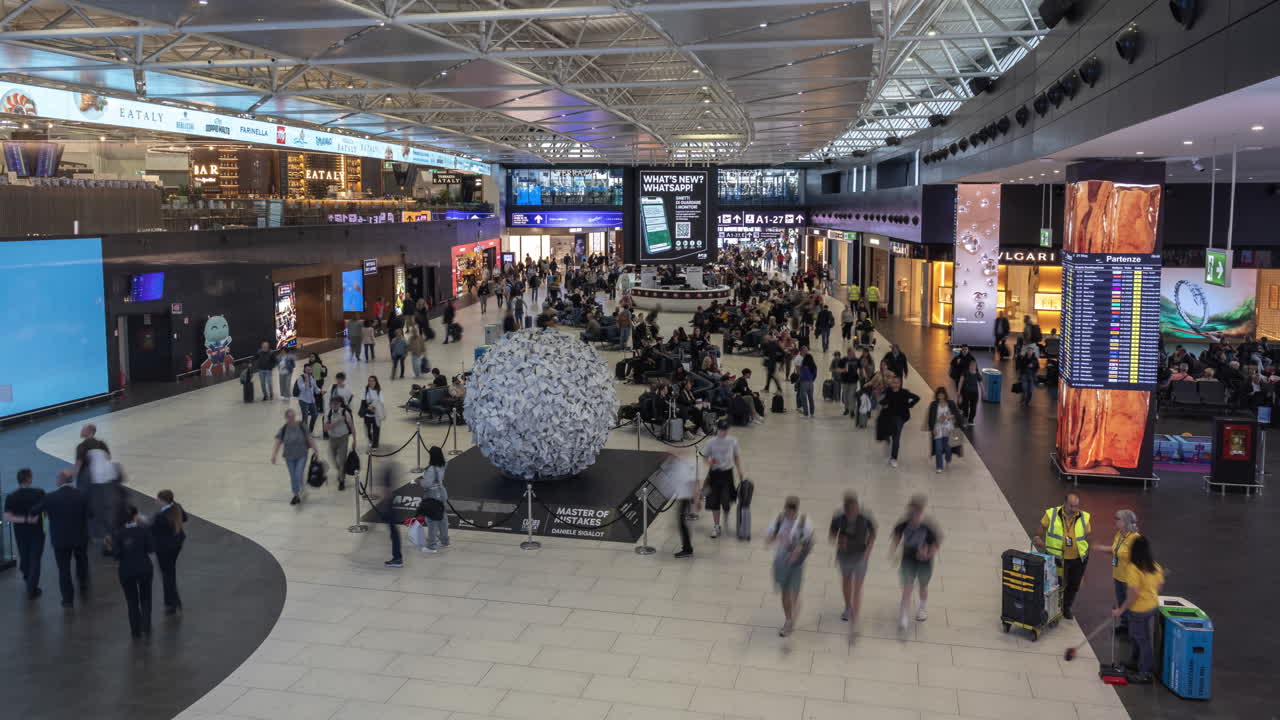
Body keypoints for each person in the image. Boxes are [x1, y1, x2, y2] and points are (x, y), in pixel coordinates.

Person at [34, 470, 90, 607]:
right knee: (81, 561)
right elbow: (91, 514)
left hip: (60, 540)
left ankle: (68, 599)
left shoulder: (50, 497)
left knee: (63, 570)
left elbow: (34, 511)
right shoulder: (82, 495)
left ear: (60, 480)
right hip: (80, 537)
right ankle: (83, 585)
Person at [1113, 536, 1164, 684]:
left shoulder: (1133, 569)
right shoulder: (1154, 566)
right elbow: (1159, 586)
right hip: (1152, 605)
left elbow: (1133, 594)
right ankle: (1136, 662)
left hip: (1139, 609)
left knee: (1142, 639)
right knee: (1137, 635)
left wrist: (1120, 610)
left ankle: (1145, 673)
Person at [1033, 493, 1091, 619]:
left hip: (1078, 558)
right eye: (1071, 506)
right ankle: (1053, 608)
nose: (1074, 509)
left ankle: (1066, 607)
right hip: (1057, 557)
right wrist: (1037, 537)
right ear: (1064, 503)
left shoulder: (1084, 517)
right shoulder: (1052, 514)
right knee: (1055, 584)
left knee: (1074, 584)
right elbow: (1041, 528)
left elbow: (1086, 535)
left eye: (1076, 506)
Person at [889, 495, 941, 633]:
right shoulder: (903, 524)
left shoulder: (928, 527)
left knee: (923, 586)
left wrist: (927, 554)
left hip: (924, 562)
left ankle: (922, 608)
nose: (915, 517)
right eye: (912, 513)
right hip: (908, 559)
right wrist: (893, 552)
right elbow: (896, 537)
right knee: (907, 588)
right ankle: (904, 616)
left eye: (918, 513)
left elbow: (936, 545)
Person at [765, 496, 813, 637]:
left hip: (797, 564)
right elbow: (769, 538)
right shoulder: (779, 520)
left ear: (796, 510)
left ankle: (790, 622)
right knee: (785, 593)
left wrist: (799, 550)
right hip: (781, 561)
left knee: (794, 594)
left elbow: (810, 541)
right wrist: (773, 539)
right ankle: (788, 619)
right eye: (787, 511)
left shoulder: (804, 523)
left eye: (792, 512)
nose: (789, 515)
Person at [829, 492, 875, 628]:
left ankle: (855, 615)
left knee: (858, 587)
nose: (852, 513)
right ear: (845, 509)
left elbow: (873, 534)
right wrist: (838, 542)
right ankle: (848, 607)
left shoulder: (866, 517)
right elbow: (831, 535)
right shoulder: (838, 518)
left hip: (860, 555)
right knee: (846, 580)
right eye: (849, 511)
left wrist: (868, 552)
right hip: (844, 555)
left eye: (854, 510)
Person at [112, 505, 155, 638]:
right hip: (144, 568)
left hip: (126, 571)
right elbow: (151, 549)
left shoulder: (118, 533)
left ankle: (135, 631)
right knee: (146, 598)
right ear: (135, 516)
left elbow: (116, 555)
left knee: (131, 601)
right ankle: (146, 627)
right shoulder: (144, 531)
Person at [1096, 509, 1140, 633]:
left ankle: (1134, 629)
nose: (1115, 521)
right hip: (1118, 575)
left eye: (1118, 519)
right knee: (1121, 601)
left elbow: (1140, 559)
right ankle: (1125, 625)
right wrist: (1102, 549)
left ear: (1125, 521)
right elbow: (1116, 550)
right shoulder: (1119, 534)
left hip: (1129, 578)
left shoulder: (1135, 539)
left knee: (1130, 603)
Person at [4, 468, 45, 598]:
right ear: (29, 479)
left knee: (25, 557)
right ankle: (31, 587)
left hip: (20, 533)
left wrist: (24, 520)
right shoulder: (39, 493)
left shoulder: (11, 497)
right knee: (35, 559)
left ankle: (28, 580)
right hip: (37, 532)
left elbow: (8, 517)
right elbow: (45, 511)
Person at [702, 420, 745, 538]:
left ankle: (725, 517)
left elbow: (736, 456)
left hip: (728, 474)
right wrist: (710, 463)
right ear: (717, 429)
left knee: (727, 500)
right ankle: (716, 526)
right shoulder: (710, 442)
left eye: (725, 430)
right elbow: (705, 457)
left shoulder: (733, 441)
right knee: (714, 501)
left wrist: (740, 470)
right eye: (721, 430)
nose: (723, 433)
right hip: (715, 474)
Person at [151, 489, 188, 615]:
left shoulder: (160, 517)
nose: (156, 501)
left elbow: (152, 531)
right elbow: (185, 518)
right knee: (170, 573)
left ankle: (171, 603)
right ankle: (174, 600)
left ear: (163, 501)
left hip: (164, 549)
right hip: (176, 545)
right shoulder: (177, 507)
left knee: (167, 575)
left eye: (158, 499)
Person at [271, 408, 318, 506]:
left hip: (302, 455)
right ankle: (296, 494)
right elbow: (278, 442)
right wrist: (274, 455)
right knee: (293, 476)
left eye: (292, 417)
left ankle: (300, 490)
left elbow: (309, 438)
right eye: (289, 417)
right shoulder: (284, 429)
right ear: (286, 418)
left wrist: (315, 450)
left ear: (295, 416)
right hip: (289, 457)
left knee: (298, 474)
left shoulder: (301, 426)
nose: (291, 419)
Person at [877, 374, 919, 468]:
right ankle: (890, 453)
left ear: (900, 384)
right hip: (890, 416)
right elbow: (886, 400)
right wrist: (881, 402)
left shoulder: (904, 392)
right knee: (890, 434)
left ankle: (894, 458)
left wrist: (909, 405)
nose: (895, 384)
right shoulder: (889, 391)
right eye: (893, 382)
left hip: (900, 417)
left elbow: (917, 398)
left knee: (896, 437)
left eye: (897, 383)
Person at [418, 447, 450, 552]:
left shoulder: (431, 469)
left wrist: (419, 481)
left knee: (432, 521)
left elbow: (427, 484)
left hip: (432, 495)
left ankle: (431, 545)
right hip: (442, 493)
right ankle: (445, 541)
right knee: (443, 518)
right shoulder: (443, 464)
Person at [324, 395, 357, 492]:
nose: (334, 405)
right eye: (332, 403)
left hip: (343, 438)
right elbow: (325, 428)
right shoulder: (328, 413)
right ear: (330, 404)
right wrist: (338, 421)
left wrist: (355, 440)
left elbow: (352, 426)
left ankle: (341, 481)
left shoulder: (345, 412)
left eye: (336, 403)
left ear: (340, 404)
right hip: (332, 439)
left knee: (342, 460)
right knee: (334, 460)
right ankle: (341, 472)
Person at [926, 387, 960, 473]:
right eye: (939, 395)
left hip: (949, 429)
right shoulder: (933, 404)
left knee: (948, 448)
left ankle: (948, 458)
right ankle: (939, 467)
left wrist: (948, 417)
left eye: (942, 395)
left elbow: (956, 415)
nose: (940, 397)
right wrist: (932, 428)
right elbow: (930, 418)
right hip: (938, 428)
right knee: (938, 448)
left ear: (945, 395)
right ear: (937, 396)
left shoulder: (951, 403)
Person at [672, 452, 699, 559]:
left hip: (685, 498)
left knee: (682, 523)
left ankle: (687, 549)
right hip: (684, 497)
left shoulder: (686, 466)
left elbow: (692, 483)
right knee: (682, 522)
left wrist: (696, 500)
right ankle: (687, 548)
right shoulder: (684, 465)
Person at [72, 423, 108, 492]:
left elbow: (78, 465)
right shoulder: (102, 444)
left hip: (86, 480)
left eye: (83, 429)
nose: (81, 431)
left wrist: (73, 477)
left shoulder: (81, 446)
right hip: (101, 478)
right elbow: (107, 458)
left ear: (89, 432)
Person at [293, 363, 320, 435]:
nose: (309, 371)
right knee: (305, 417)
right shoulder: (300, 378)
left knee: (315, 414)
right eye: (307, 369)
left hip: (311, 400)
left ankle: (310, 431)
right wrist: (306, 381)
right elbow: (301, 388)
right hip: (303, 400)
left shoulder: (312, 378)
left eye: (310, 369)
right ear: (304, 370)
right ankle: (304, 433)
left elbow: (315, 388)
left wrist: (320, 391)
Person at [361, 375, 386, 449]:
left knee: (376, 430)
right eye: (369, 381)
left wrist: (373, 407)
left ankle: (375, 444)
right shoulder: (365, 390)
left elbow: (381, 401)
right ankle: (370, 440)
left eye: (373, 381)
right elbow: (363, 400)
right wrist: (368, 407)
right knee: (367, 430)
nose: (371, 382)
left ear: (376, 382)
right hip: (367, 413)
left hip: (376, 413)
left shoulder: (379, 391)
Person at [794, 347, 818, 417]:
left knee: (804, 399)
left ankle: (805, 413)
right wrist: (812, 380)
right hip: (811, 383)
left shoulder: (803, 366)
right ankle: (812, 413)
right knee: (811, 398)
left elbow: (801, 376)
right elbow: (815, 375)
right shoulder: (814, 366)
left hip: (804, 383)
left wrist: (797, 382)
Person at [958, 359, 980, 426]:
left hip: (975, 393)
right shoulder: (965, 372)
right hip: (966, 392)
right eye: (972, 366)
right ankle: (965, 420)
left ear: (976, 367)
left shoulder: (977, 374)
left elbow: (981, 383)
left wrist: (983, 391)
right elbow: (960, 382)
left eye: (974, 366)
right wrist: (958, 392)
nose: (973, 367)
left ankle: (971, 420)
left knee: (973, 408)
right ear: (969, 366)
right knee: (965, 407)